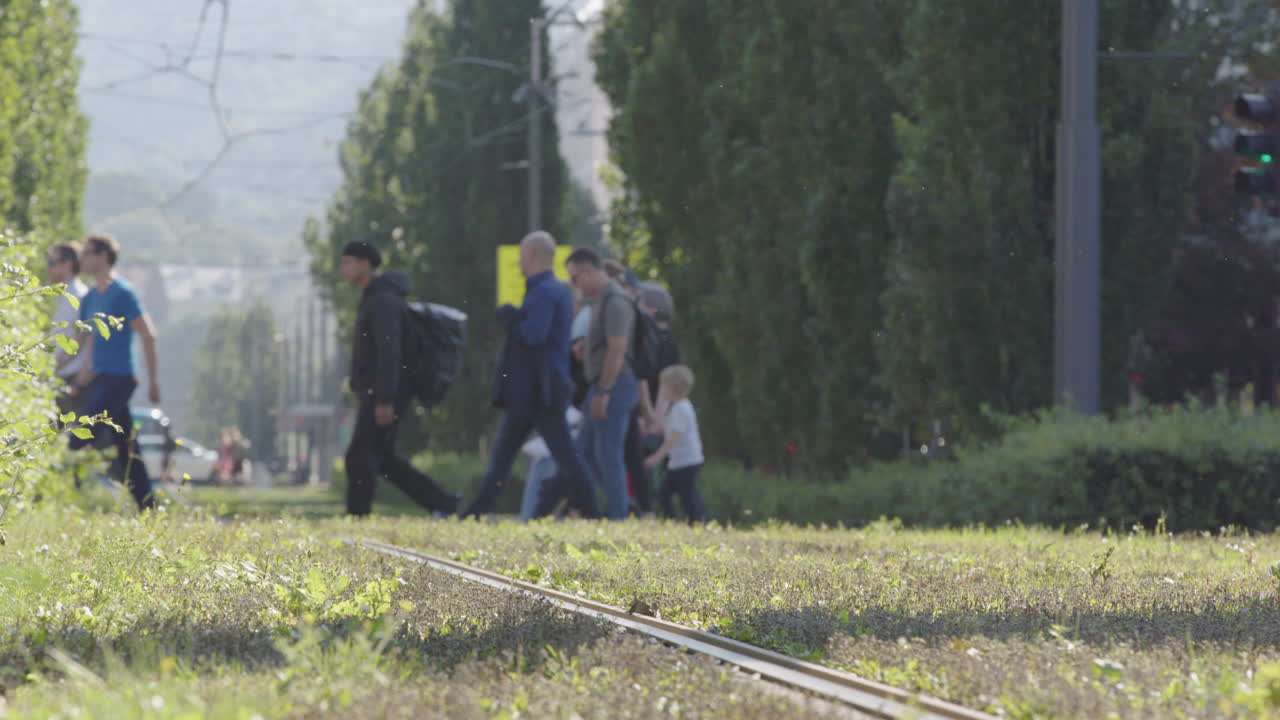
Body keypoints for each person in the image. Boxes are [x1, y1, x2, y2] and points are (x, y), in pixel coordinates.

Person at [459, 232, 601, 519]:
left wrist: (511, 318)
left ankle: (595, 513)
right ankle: (474, 513)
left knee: (562, 458)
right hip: (537, 390)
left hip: (540, 392)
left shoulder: (544, 291)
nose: (519, 263)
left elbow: (534, 335)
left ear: (535, 256)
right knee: (506, 455)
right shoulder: (551, 290)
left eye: (522, 256)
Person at [340, 240, 459, 517]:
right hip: (379, 392)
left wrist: (385, 399)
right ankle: (443, 504)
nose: (343, 269)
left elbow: (390, 352)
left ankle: (358, 519)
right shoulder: (376, 297)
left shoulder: (382, 301)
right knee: (382, 459)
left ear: (365, 264)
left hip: (382, 395)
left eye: (348, 262)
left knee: (359, 459)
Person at [69, 233, 161, 510]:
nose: (81, 259)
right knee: (126, 448)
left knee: (80, 433)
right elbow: (84, 345)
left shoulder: (123, 293)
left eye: (86, 253)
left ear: (102, 256)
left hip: (121, 378)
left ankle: (65, 498)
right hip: (99, 379)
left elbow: (148, 335)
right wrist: (69, 377)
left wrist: (154, 381)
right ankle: (148, 505)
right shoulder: (89, 299)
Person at [566, 247, 639, 520]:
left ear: (587, 272)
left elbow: (618, 349)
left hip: (614, 386)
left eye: (575, 279)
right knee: (585, 452)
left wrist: (604, 391)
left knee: (608, 455)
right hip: (604, 386)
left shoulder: (615, 301)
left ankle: (618, 517)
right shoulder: (600, 300)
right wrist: (587, 347)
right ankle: (600, 510)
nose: (574, 286)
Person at [645, 365, 707, 524]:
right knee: (665, 495)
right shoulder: (676, 408)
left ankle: (699, 522)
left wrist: (656, 458)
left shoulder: (681, 409)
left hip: (687, 462)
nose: (662, 390)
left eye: (664, 386)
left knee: (688, 496)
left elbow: (672, 439)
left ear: (674, 388)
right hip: (678, 463)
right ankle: (673, 521)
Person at [47, 241, 88, 418]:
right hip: (59, 374)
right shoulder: (60, 295)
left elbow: (79, 339)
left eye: (51, 263)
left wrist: (55, 366)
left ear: (68, 264)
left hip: (70, 377)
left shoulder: (79, 296)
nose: (48, 268)